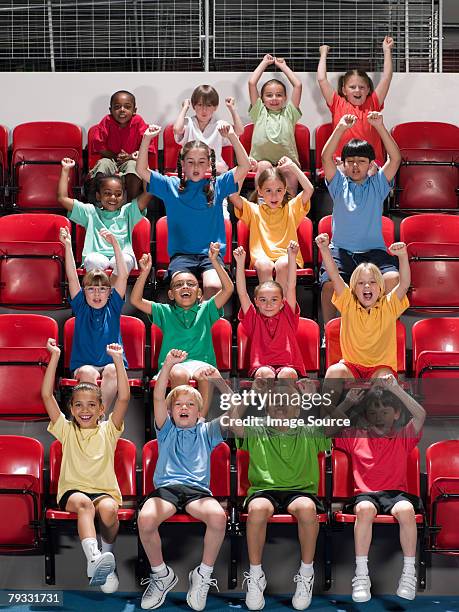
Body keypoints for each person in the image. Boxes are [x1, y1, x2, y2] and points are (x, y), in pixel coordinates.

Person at [222, 379, 330, 610]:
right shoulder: (256, 428)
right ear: (267, 407)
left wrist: (312, 400)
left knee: (307, 509)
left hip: (300, 491)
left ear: (298, 408)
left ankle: (306, 574)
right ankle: (256, 576)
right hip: (264, 490)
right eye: (275, 400)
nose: (281, 405)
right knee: (258, 509)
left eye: (287, 400)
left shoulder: (310, 430)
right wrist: (251, 395)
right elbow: (230, 422)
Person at [138, 349, 233, 610]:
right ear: (170, 411)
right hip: (167, 490)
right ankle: (161, 576)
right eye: (178, 404)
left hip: (197, 492)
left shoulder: (208, 430)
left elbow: (237, 412)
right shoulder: (165, 428)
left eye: (190, 405)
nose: (184, 408)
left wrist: (220, 382)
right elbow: (158, 396)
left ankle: (202, 575)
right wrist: (168, 364)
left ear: (200, 411)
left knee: (217, 517)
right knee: (145, 519)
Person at [42, 338, 130, 593]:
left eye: (92, 405)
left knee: (110, 510)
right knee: (83, 504)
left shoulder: (109, 430)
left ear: (102, 409)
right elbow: (47, 395)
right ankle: (93, 559)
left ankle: (106, 559)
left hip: (104, 492)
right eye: (78, 405)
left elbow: (123, 397)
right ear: (70, 408)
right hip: (73, 492)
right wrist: (55, 357)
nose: (85, 410)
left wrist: (117, 361)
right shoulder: (66, 430)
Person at [333, 375, 426, 602]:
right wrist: (347, 404)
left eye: (385, 412)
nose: (379, 417)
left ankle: (408, 572)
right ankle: (361, 574)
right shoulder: (356, 436)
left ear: (395, 414)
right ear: (366, 417)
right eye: (373, 413)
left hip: (396, 495)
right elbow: (328, 426)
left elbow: (420, 414)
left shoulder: (403, 436)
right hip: (366, 495)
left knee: (406, 511)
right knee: (364, 509)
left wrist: (396, 389)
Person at [136, 123, 250, 299]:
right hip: (181, 256)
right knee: (182, 289)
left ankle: (202, 323)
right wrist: (146, 139)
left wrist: (232, 136)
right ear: (183, 164)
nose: (196, 167)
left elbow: (245, 166)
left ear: (209, 164)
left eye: (201, 162)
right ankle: (185, 324)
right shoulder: (170, 186)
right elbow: (141, 170)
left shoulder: (217, 185)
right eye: (191, 162)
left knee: (213, 285)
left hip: (211, 256)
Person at [130, 242, 233, 416]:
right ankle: (179, 419)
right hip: (174, 364)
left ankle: (200, 421)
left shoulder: (206, 309)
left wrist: (215, 261)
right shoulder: (164, 311)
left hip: (202, 363)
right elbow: (136, 300)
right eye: (178, 285)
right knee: (178, 373)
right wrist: (145, 272)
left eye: (190, 284)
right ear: (170, 294)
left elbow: (228, 288)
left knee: (206, 376)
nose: (185, 287)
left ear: (199, 293)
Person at [319, 112, 402, 324]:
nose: (356, 166)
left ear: (370, 164)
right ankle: (328, 332)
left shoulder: (378, 185)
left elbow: (396, 158)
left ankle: (378, 325)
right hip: (340, 252)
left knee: (392, 278)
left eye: (361, 161)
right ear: (344, 164)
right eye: (351, 161)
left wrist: (380, 127)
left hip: (374, 252)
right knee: (329, 284)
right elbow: (325, 157)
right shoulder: (338, 184)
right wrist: (340, 128)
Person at [316, 232, 410, 387]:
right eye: (361, 283)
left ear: (380, 288)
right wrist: (325, 249)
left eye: (372, 282)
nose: (367, 286)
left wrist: (403, 256)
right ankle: (329, 412)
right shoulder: (348, 302)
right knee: (334, 372)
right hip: (351, 367)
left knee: (384, 378)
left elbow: (404, 283)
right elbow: (334, 275)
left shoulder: (389, 305)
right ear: (353, 288)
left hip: (380, 368)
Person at [59, 225, 129, 411]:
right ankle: (88, 416)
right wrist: (67, 245)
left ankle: (100, 415)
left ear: (109, 292)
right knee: (88, 372)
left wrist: (115, 243)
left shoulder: (113, 306)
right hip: (84, 365)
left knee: (114, 369)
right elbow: (73, 277)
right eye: (91, 289)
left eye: (102, 289)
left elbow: (122, 276)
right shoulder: (81, 306)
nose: (97, 294)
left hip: (109, 363)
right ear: (85, 292)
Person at [229, 156, 313, 294]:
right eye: (268, 190)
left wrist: (292, 166)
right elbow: (233, 195)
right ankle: (267, 306)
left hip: (287, 257)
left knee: (283, 263)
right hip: (262, 257)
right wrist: (245, 169)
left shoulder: (291, 208)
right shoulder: (253, 210)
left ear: (285, 190)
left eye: (279, 190)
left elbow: (309, 189)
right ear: (260, 191)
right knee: (264, 265)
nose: (274, 196)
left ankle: (281, 306)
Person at [58, 157, 151, 278]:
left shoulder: (128, 211)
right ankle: (103, 294)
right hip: (97, 256)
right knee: (92, 261)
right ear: (98, 196)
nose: (113, 197)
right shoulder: (90, 212)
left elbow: (148, 192)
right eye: (107, 193)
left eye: (118, 194)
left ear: (123, 197)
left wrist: (144, 165)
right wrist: (65, 170)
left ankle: (115, 295)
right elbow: (62, 199)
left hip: (122, 255)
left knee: (125, 260)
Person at [317, 37, 394, 168]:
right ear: (344, 90)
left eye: (362, 87)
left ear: (368, 89)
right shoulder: (337, 103)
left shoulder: (373, 103)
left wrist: (387, 50)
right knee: (341, 175)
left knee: (370, 175)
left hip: (371, 163)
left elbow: (387, 77)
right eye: (352, 87)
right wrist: (323, 53)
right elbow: (322, 79)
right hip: (342, 162)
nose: (357, 90)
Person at [234, 241, 306, 380]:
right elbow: (242, 292)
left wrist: (292, 257)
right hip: (262, 366)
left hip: (289, 366)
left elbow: (291, 286)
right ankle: (262, 402)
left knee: (287, 375)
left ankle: (285, 402)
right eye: (263, 300)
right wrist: (240, 263)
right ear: (256, 302)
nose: (268, 304)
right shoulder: (253, 319)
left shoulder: (288, 314)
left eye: (274, 299)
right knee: (266, 374)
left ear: (282, 302)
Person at [248, 54, 303, 194]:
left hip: (287, 160)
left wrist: (283, 66)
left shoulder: (289, 112)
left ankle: (291, 205)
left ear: (285, 98)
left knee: (288, 168)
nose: (274, 98)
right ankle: (262, 203)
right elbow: (251, 83)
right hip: (261, 160)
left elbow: (298, 85)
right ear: (262, 98)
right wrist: (264, 63)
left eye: (279, 95)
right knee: (264, 166)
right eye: (269, 95)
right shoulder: (259, 111)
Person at [88, 90, 156, 201]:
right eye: (117, 107)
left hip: (132, 159)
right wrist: (116, 157)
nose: (122, 110)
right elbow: (99, 145)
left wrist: (129, 157)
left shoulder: (138, 121)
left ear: (134, 110)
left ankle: (129, 205)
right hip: (110, 159)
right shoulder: (107, 121)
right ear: (111, 110)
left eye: (127, 107)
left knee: (133, 167)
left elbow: (146, 149)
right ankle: (99, 203)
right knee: (102, 164)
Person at [173, 85, 244, 174]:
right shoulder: (188, 122)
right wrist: (184, 108)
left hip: (214, 167)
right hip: (192, 165)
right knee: (186, 166)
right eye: (200, 105)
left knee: (220, 167)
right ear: (194, 106)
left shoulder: (220, 125)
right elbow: (177, 129)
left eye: (209, 105)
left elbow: (240, 131)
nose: (204, 110)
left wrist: (232, 109)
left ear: (215, 107)